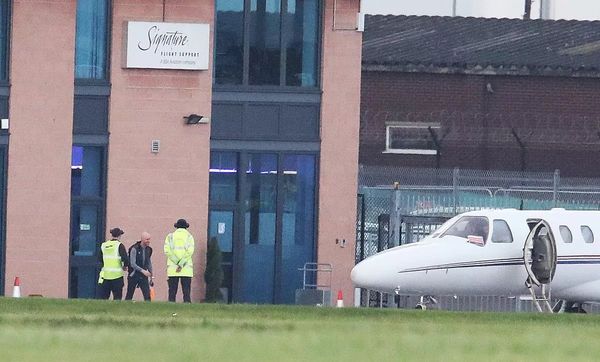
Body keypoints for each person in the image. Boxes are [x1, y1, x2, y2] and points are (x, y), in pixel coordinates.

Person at [164, 218, 195, 302]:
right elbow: (190, 251)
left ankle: (171, 304)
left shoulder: (170, 237)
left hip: (173, 268)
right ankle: (187, 304)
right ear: (186, 227)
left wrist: (177, 262)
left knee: (172, 291)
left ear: (176, 227)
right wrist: (181, 264)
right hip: (186, 269)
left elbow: (167, 251)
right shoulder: (189, 237)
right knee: (186, 291)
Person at [98, 227, 129, 300]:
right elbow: (125, 258)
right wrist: (125, 266)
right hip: (117, 276)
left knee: (104, 298)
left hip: (106, 276)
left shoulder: (104, 245)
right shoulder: (119, 245)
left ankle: (104, 311)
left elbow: (99, 258)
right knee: (117, 298)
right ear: (119, 236)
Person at [125, 231, 153, 301]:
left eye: (149, 239)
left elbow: (148, 262)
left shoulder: (149, 249)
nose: (148, 241)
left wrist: (151, 274)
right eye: (147, 239)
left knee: (147, 295)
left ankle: (148, 309)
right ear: (142, 239)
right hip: (134, 274)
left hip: (143, 276)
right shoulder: (134, 248)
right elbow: (133, 264)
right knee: (129, 294)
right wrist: (143, 271)